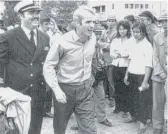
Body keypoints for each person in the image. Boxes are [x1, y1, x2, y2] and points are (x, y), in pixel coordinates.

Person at [43, 5, 97, 134]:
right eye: (88, 22)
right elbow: (48, 66)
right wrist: (56, 90)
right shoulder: (62, 42)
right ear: (77, 23)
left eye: (94, 22)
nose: (92, 25)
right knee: (60, 129)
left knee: (90, 130)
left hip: (85, 90)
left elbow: (92, 57)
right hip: (64, 90)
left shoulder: (93, 37)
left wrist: (91, 77)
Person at [0, 1, 50, 134]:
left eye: (37, 13)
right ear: (21, 16)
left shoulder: (45, 37)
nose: (36, 16)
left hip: (38, 94)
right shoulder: (8, 37)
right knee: (16, 130)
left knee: (35, 130)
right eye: (31, 13)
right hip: (17, 95)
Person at [124, 22, 153, 133]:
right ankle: (134, 116)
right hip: (132, 73)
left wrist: (145, 81)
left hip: (142, 76)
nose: (135, 34)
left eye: (137, 32)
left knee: (142, 100)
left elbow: (148, 65)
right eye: (134, 31)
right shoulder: (133, 43)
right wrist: (126, 74)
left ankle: (143, 122)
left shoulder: (147, 45)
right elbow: (130, 60)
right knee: (132, 97)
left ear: (143, 32)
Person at [110, 20, 132, 117]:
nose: (122, 31)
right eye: (120, 29)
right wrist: (118, 54)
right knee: (117, 86)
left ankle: (126, 109)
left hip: (126, 67)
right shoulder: (115, 40)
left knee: (125, 88)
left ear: (127, 30)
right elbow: (111, 53)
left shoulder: (131, 40)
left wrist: (120, 53)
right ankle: (118, 107)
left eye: (124, 29)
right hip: (116, 65)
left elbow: (129, 54)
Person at [152, 13, 167, 134]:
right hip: (159, 74)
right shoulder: (157, 37)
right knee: (158, 102)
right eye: (162, 22)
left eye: (167, 21)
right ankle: (158, 126)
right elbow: (155, 57)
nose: (165, 25)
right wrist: (161, 72)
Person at [39, 12, 54, 118]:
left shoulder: (49, 35)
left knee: (49, 89)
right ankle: (41, 110)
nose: (48, 26)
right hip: (39, 67)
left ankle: (46, 110)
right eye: (46, 24)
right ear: (40, 24)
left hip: (48, 66)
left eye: (49, 24)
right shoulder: (37, 34)